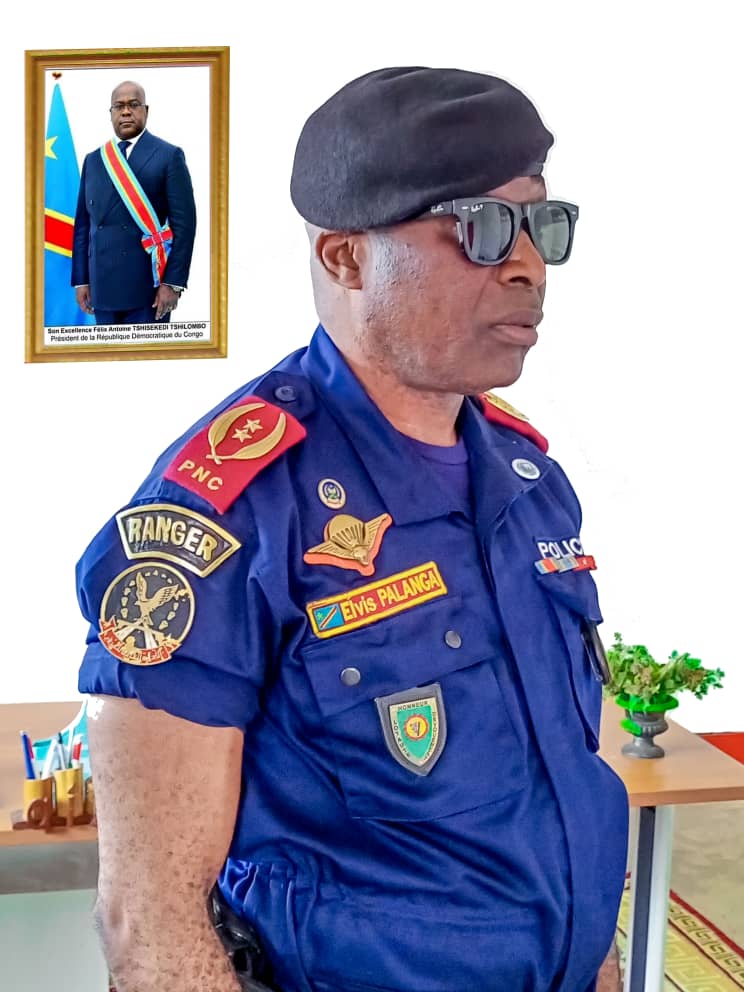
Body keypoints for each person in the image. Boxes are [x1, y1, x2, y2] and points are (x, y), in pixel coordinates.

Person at [76, 66, 629, 992]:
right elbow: (150, 918)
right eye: (482, 227)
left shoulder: (529, 480)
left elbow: (570, 801)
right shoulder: (226, 515)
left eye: (543, 223)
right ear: (344, 258)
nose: (528, 265)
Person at [71, 80, 197, 324]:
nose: (126, 111)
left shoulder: (168, 155)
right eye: (119, 106)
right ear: (111, 113)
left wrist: (173, 283)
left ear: (145, 111)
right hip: (101, 288)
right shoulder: (94, 160)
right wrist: (81, 280)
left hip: (149, 291)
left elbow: (185, 226)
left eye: (133, 104)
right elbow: (83, 227)